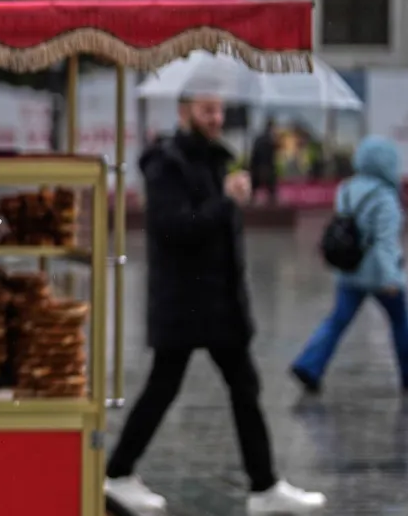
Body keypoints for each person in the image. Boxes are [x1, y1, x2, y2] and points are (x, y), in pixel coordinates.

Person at [104, 89, 325, 515]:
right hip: (186, 302)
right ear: (184, 112)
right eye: (207, 110)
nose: (217, 118)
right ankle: (117, 473)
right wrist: (226, 201)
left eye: (220, 109)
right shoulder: (166, 163)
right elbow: (174, 229)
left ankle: (264, 486)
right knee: (164, 388)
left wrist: (228, 197)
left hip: (218, 302)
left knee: (244, 387)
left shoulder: (214, 158)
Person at [290, 136, 408, 394]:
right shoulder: (385, 198)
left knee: (337, 321)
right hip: (379, 275)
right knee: (400, 323)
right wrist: (391, 278)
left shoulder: (346, 189)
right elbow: (385, 243)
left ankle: (309, 365)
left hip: (349, 271)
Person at [249, 120, 279, 207]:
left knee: (253, 194)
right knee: (272, 195)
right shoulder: (271, 140)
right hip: (267, 169)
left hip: (257, 169)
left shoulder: (258, 139)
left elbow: (253, 155)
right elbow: (272, 157)